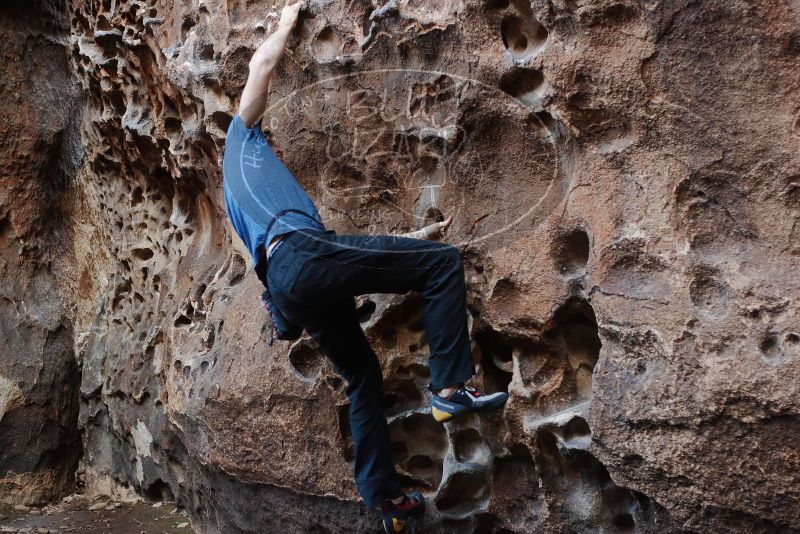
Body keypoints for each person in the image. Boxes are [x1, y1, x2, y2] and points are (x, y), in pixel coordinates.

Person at [221, 3, 508, 532]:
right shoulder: (243, 142)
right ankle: (449, 389)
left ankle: (384, 499)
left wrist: (412, 240)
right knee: (443, 266)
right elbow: (260, 66)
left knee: (362, 375)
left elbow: (346, 256)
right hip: (302, 257)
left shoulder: (247, 198)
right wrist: (287, 18)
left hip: (296, 279)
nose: (277, 147)